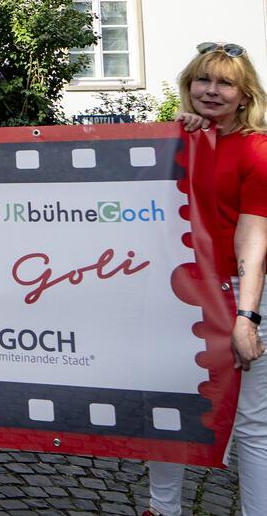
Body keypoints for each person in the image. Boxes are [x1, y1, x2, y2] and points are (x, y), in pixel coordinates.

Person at [143, 42, 267, 516]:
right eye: (203, 80)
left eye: (225, 82)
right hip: (176, 293)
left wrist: (246, 317)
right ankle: (162, 508)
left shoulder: (257, 149)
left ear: (244, 94)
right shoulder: (177, 139)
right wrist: (177, 136)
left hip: (238, 292)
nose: (211, 91)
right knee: (167, 403)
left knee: (251, 417)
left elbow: (252, 241)